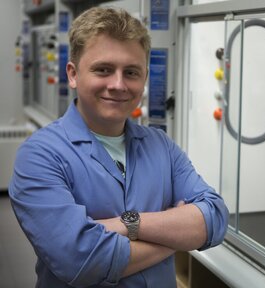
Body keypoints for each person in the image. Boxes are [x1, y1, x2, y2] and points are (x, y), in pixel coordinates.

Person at [9, 6, 229, 288]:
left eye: (132, 72)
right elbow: (80, 260)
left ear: (145, 78)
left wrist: (127, 223)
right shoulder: (40, 156)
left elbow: (215, 218)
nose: (118, 84)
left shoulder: (161, 146)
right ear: (73, 74)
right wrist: (175, 238)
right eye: (103, 69)